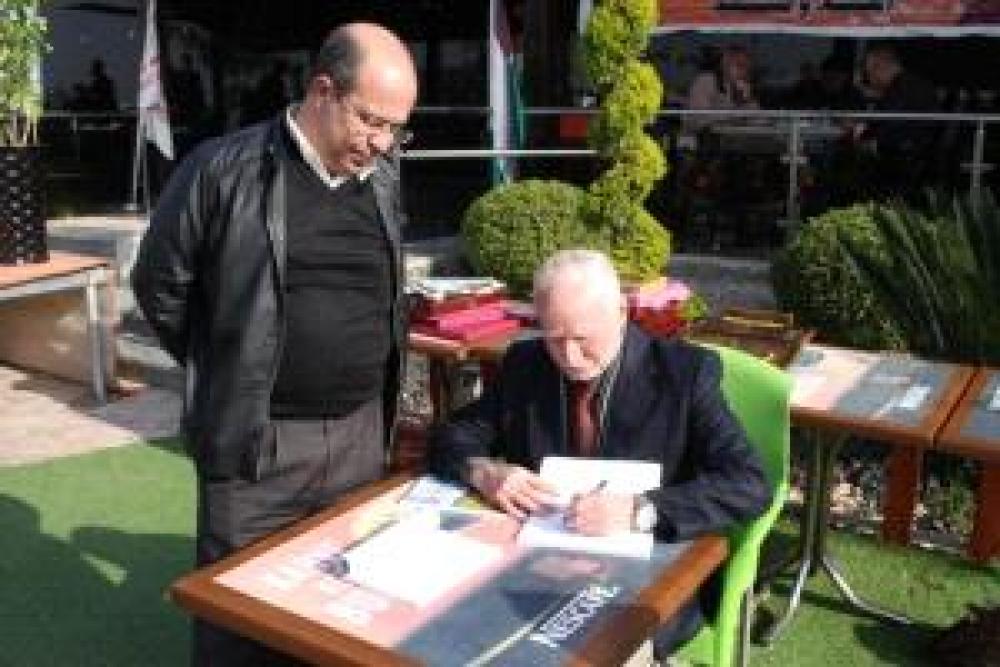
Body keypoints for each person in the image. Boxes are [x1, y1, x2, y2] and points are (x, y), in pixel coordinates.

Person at [132, 22, 417, 666]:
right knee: (240, 619)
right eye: (372, 121)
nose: (382, 142)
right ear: (323, 90)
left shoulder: (382, 175)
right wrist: (230, 361)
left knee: (340, 607)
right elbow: (159, 286)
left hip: (359, 435)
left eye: (397, 129)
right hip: (258, 444)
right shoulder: (220, 169)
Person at [428, 249, 772, 660]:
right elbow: (451, 435)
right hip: (535, 561)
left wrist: (639, 510)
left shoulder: (685, 374)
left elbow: (748, 484)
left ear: (622, 313)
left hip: (647, 576)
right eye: (555, 338)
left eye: (582, 339)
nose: (569, 357)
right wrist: (483, 471)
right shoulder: (526, 363)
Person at [685, 45, 759, 132]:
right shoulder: (706, 81)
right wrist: (736, 115)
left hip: (732, 136)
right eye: (740, 66)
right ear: (725, 64)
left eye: (747, 68)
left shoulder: (742, 88)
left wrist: (746, 101)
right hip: (702, 136)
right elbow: (700, 118)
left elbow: (757, 119)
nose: (744, 72)